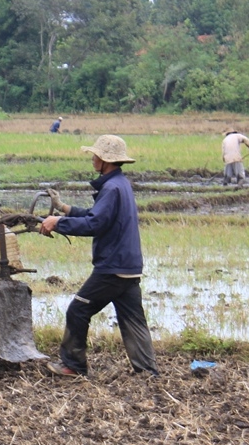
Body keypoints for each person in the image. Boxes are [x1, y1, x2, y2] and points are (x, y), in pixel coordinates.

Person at [40, 135, 159, 377]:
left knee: (78, 310)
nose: (92, 158)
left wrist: (58, 223)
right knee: (132, 319)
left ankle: (73, 365)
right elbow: (96, 214)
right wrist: (64, 209)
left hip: (112, 267)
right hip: (129, 266)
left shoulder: (112, 188)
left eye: (96, 155)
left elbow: (95, 223)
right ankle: (147, 371)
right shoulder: (120, 184)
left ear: (105, 160)